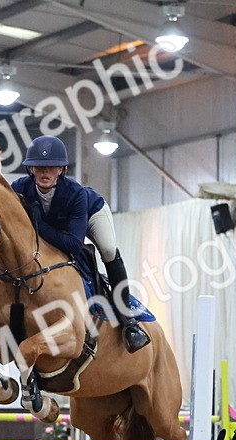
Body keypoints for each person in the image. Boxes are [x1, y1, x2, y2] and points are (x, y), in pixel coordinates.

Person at [11, 135, 150, 353]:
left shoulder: (75, 193)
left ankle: (128, 321)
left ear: (61, 169)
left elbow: (74, 245)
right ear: (31, 170)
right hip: (54, 226)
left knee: (108, 250)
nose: (45, 173)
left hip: (91, 214)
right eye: (39, 167)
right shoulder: (19, 189)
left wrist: (36, 223)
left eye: (52, 167)